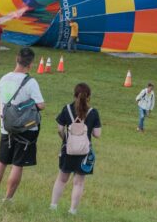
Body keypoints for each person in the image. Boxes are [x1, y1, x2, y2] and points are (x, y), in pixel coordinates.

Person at [0, 47, 45, 202]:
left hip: (6, 127)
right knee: (17, 165)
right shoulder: (31, 82)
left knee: (1, 162)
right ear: (31, 64)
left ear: (16, 59)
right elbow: (41, 105)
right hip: (25, 129)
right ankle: (7, 198)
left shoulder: (4, 79)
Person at [51, 82, 101, 214]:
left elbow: (60, 129)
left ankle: (53, 206)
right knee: (78, 182)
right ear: (89, 97)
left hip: (68, 149)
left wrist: (65, 139)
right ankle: (72, 210)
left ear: (74, 95)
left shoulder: (67, 109)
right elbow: (97, 134)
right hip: (84, 152)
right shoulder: (93, 112)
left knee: (62, 179)